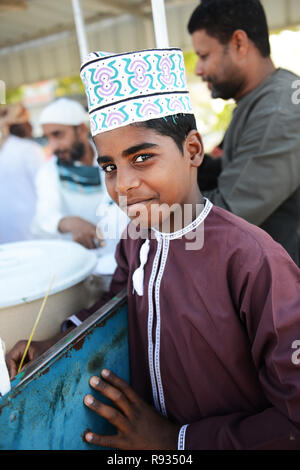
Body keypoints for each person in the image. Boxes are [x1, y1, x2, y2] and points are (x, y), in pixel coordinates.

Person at [6, 47, 300, 450]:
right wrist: (59, 342)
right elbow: (119, 301)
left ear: (193, 150)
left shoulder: (251, 259)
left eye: (142, 157)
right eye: (109, 166)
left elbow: (292, 421)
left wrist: (174, 441)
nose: (122, 184)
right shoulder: (136, 237)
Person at [188, 0, 300, 266]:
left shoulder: (277, 111)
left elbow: (223, 218)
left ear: (239, 43)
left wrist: (155, 211)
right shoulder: (259, 101)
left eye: (204, 56)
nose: (198, 69)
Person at [31, 97, 128, 275]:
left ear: (82, 129)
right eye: (47, 137)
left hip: (127, 260)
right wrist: (67, 222)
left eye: (58, 134)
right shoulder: (49, 171)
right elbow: (43, 218)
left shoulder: (112, 157)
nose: (53, 145)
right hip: (81, 268)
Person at [0, 104, 45, 243]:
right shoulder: (29, 149)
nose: (31, 125)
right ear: (17, 125)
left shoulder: (6, 149)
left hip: (5, 230)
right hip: (31, 227)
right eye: (27, 121)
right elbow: (45, 187)